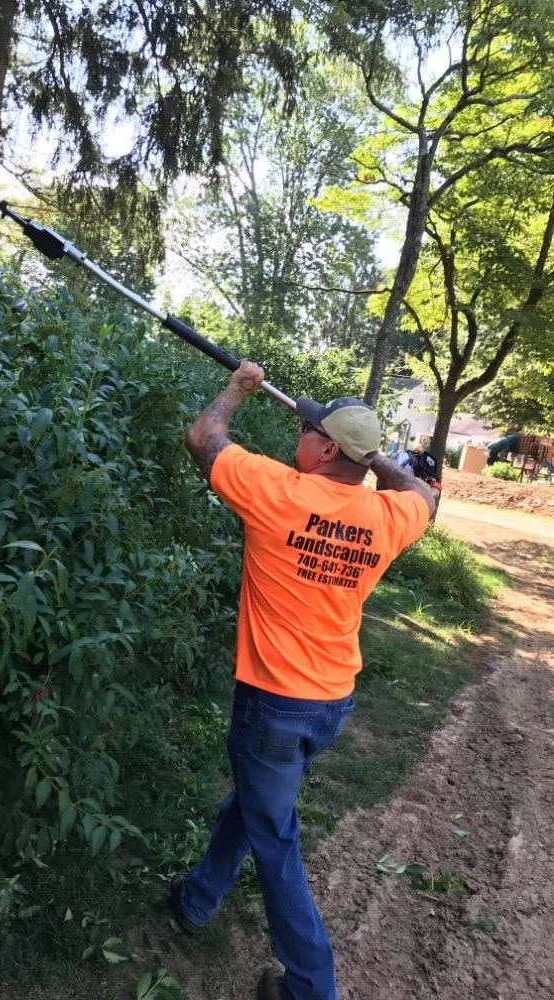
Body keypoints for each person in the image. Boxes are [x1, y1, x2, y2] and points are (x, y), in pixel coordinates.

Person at [170, 360, 436, 1000]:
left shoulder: (278, 490)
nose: (303, 430)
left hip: (274, 704)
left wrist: (237, 388)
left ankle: (311, 988)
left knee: (276, 842)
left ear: (321, 450)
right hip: (330, 704)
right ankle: (198, 898)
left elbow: (203, 437)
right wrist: (374, 461)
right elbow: (426, 496)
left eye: (312, 427)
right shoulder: (388, 516)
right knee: (262, 803)